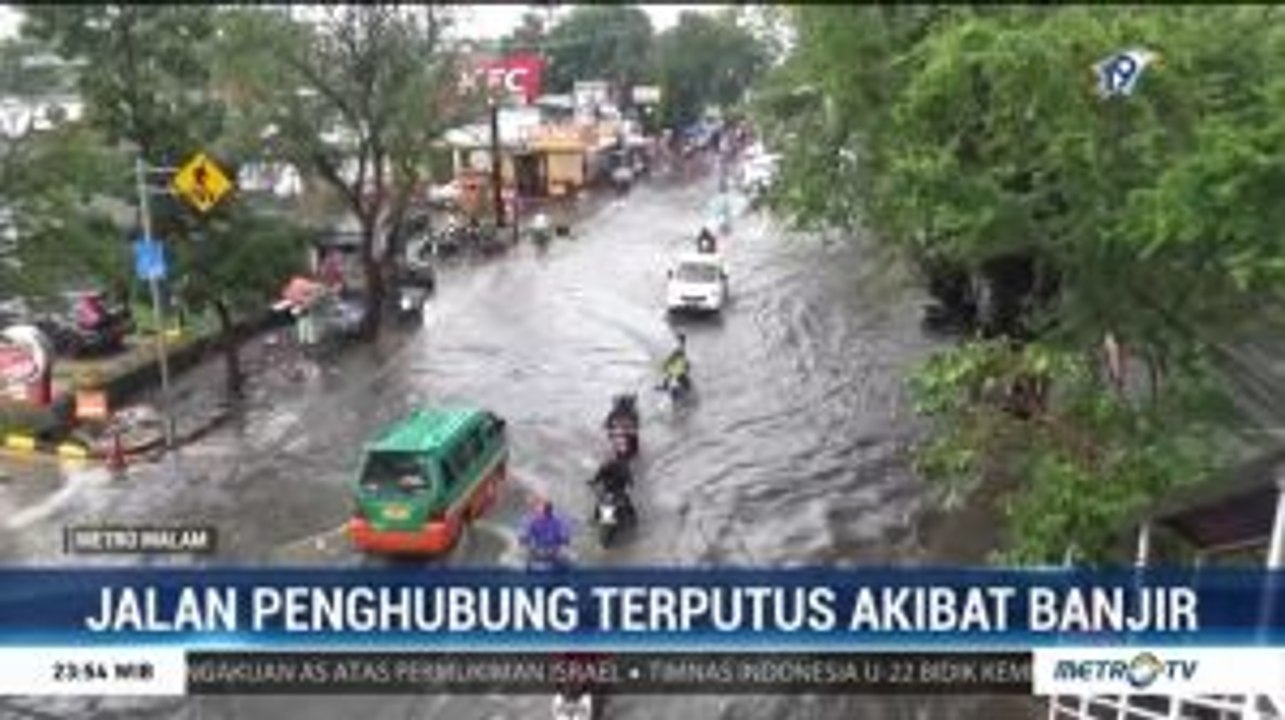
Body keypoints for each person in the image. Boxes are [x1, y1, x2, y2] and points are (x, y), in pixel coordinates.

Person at [521, 499, 572, 568]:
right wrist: (525, 542)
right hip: (537, 550)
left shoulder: (557, 522)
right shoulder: (533, 521)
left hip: (554, 551)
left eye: (540, 511)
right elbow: (525, 536)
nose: (538, 513)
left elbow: (565, 538)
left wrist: (562, 542)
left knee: (564, 556)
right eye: (537, 511)